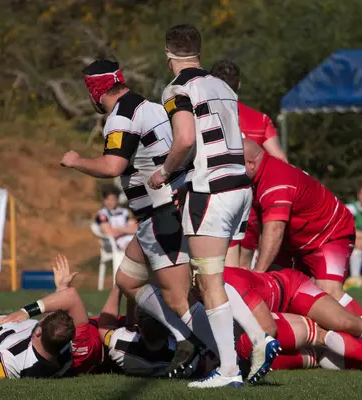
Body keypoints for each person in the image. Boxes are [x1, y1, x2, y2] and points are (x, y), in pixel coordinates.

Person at [61, 59, 275, 386]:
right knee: (128, 280)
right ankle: (213, 342)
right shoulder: (152, 106)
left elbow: (113, 165)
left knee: (181, 296)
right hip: (180, 205)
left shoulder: (121, 116)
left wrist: (76, 161)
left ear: (95, 91)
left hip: (160, 214)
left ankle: (219, 353)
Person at [147, 24, 278, 388]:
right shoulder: (223, 86)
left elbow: (186, 138)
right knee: (214, 276)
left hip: (211, 190)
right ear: (199, 52)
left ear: (168, 54)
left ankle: (229, 370)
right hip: (240, 188)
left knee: (206, 280)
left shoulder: (177, 88)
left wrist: (164, 171)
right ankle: (259, 338)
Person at [223, 266, 362, 370]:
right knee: (250, 352)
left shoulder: (226, 280)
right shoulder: (196, 293)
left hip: (291, 288)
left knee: (345, 322)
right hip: (271, 313)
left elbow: (266, 328)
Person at [242, 139, 362, 316]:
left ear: (251, 164)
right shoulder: (259, 176)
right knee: (280, 287)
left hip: (330, 233)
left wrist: (259, 273)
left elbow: (274, 229)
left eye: (233, 166)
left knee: (329, 291)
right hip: (296, 240)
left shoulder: (276, 181)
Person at [210, 59, 287, 269]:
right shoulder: (260, 119)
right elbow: (280, 162)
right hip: (248, 203)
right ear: (239, 85)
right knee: (243, 270)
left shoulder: (203, 118)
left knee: (210, 270)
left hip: (211, 201)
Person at [95, 185, 137, 251]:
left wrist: (119, 229)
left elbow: (135, 229)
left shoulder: (125, 212)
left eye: (112, 199)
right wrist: (126, 230)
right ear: (104, 200)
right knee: (133, 246)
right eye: (107, 199)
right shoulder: (102, 214)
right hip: (113, 243)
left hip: (128, 238)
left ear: (117, 199)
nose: (110, 202)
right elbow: (110, 233)